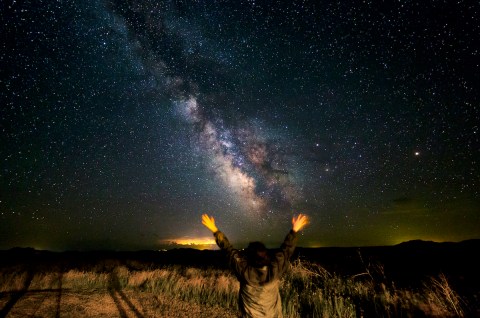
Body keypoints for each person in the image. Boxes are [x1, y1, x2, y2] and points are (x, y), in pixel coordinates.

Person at [201, 213, 309, 318]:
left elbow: (228, 249)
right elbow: (286, 250)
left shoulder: (243, 270)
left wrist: (214, 229)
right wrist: (294, 230)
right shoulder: (274, 269)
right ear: (266, 255)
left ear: (248, 257)